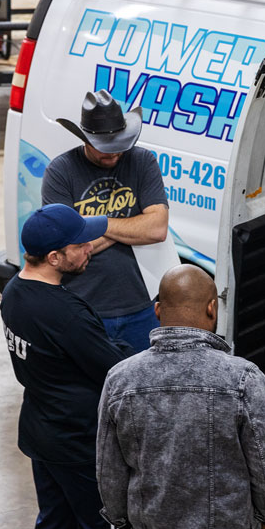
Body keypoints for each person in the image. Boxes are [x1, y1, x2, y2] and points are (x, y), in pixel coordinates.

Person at [97, 265, 265, 529]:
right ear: (212, 307)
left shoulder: (120, 378)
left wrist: (123, 525)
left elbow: (109, 468)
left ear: (158, 311)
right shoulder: (242, 377)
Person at [0, 204, 132, 529]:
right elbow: (114, 369)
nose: (90, 245)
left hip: (42, 433)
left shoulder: (14, 292)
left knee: (54, 527)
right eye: (80, 243)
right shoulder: (64, 311)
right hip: (79, 442)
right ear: (55, 257)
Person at [42, 90, 169, 353]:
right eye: (104, 149)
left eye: (120, 147)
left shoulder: (142, 161)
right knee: (90, 390)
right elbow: (67, 246)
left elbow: (157, 228)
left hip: (141, 306)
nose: (113, 155)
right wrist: (133, 224)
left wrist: (98, 225)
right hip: (83, 308)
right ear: (85, 140)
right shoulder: (61, 171)